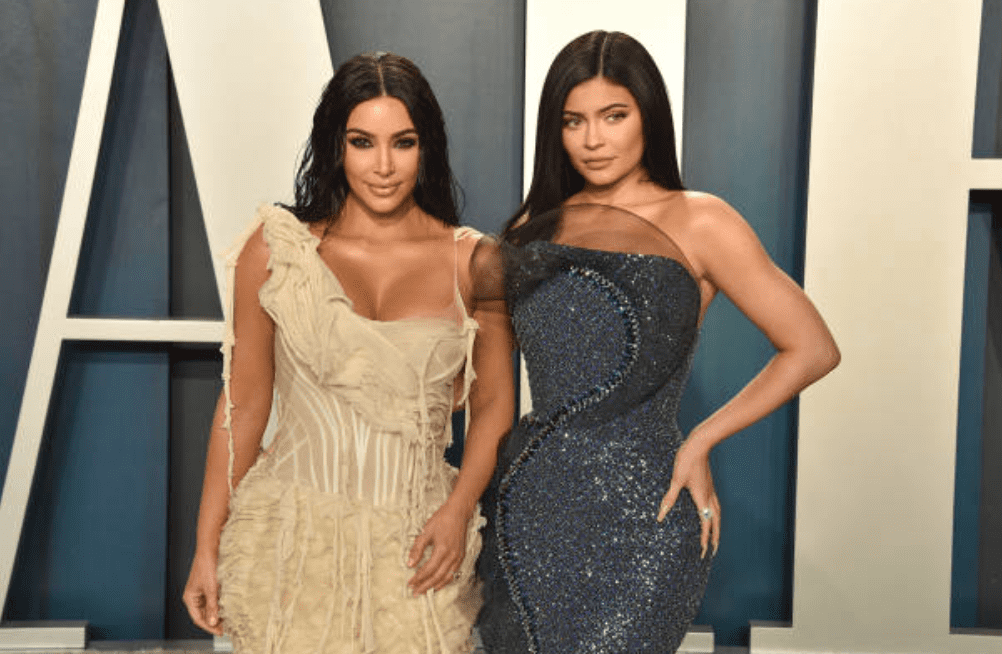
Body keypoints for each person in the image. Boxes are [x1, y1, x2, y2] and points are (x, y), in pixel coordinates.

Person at [476, 31, 840, 654]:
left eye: (614, 116)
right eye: (574, 121)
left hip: (649, 510)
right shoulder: (530, 230)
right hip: (531, 510)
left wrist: (701, 439)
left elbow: (812, 347)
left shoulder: (701, 220)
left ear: (649, 115)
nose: (593, 140)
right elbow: (488, 390)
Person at [182, 52, 514, 654]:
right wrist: (206, 547)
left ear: (427, 147)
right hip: (286, 545)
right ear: (336, 145)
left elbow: (493, 408)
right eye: (363, 142)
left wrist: (460, 510)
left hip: (419, 543)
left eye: (403, 142)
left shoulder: (476, 262)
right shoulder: (276, 250)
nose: (383, 166)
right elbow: (245, 405)